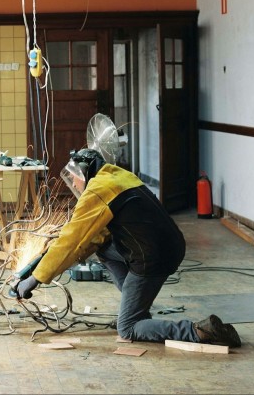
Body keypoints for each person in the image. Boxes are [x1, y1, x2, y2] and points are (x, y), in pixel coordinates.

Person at [15, 148, 241, 348]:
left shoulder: (97, 190)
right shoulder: (118, 176)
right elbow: (93, 239)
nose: (73, 184)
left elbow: (71, 240)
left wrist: (35, 278)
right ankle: (136, 308)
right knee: (103, 247)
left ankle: (198, 331)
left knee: (128, 329)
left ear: (86, 171)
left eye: (74, 178)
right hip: (169, 244)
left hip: (153, 257)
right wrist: (47, 263)